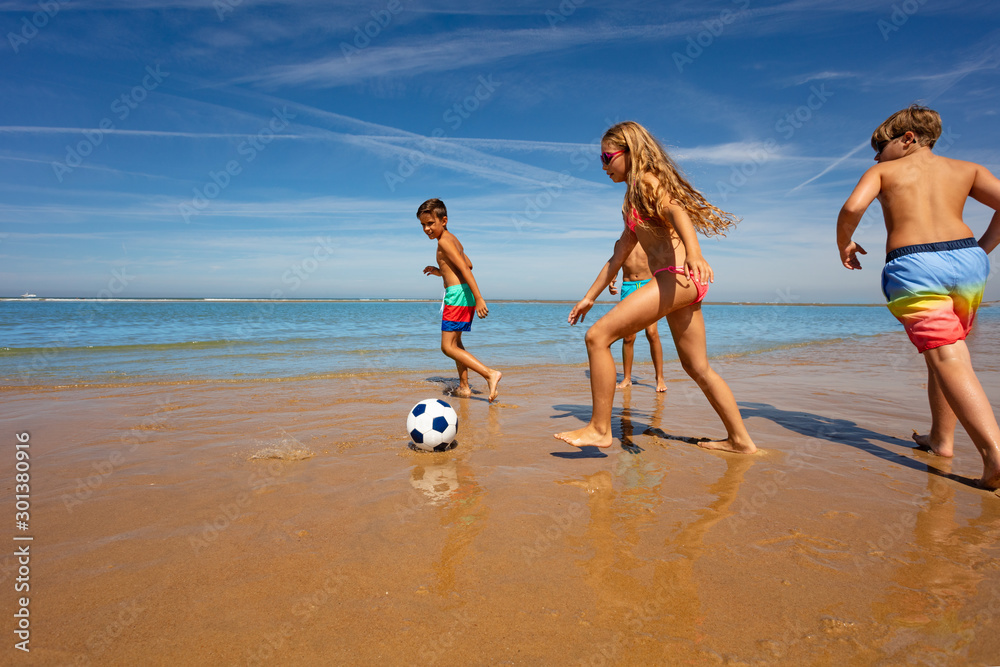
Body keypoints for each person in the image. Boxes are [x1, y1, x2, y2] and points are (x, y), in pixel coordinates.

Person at [554, 121, 756, 453]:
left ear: (628, 152)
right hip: (683, 283)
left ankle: (600, 429)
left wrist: (695, 253)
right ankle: (741, 441)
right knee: (697, 366)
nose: (603, 166)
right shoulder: (630, 199)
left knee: (597, 337)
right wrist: (589, 297)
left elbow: (676, 211)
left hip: (676, 276)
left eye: (607, 157)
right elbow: (619, 253)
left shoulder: (647, 183)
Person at [836, 104, 1000, 490]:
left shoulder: (882, 171)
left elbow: (852, 207)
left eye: (880, 146)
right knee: (945, 354)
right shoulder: (967, 169)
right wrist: (983, 247)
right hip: (968, 262)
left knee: (946, 355)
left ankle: (994, 452)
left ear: (908, 139)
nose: (876, 156)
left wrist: (844, 243)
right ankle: (941, 439)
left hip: (915, 265)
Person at [418, 198, 502, 403]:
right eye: (423, 225)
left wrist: (480, 298)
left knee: (447, 347)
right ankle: (464, 386)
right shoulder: (453, 239)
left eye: (430, 223)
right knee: (457, 343)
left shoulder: (444, 241)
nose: (427, 228)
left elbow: (465, 269)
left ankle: (489, 373)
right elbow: (469, 264)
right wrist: (441, 271)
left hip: (458, 296)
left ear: (443, 220)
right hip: (462, 294)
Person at [608, 243, 668, 392]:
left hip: (648, 285)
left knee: (652, 333)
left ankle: (659, 378)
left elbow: (662, 261)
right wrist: (612, 279)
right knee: (628, 336)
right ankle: (627, 378)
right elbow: (616, 261)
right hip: (628, 287)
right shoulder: (620, 242)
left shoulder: (647, 238)